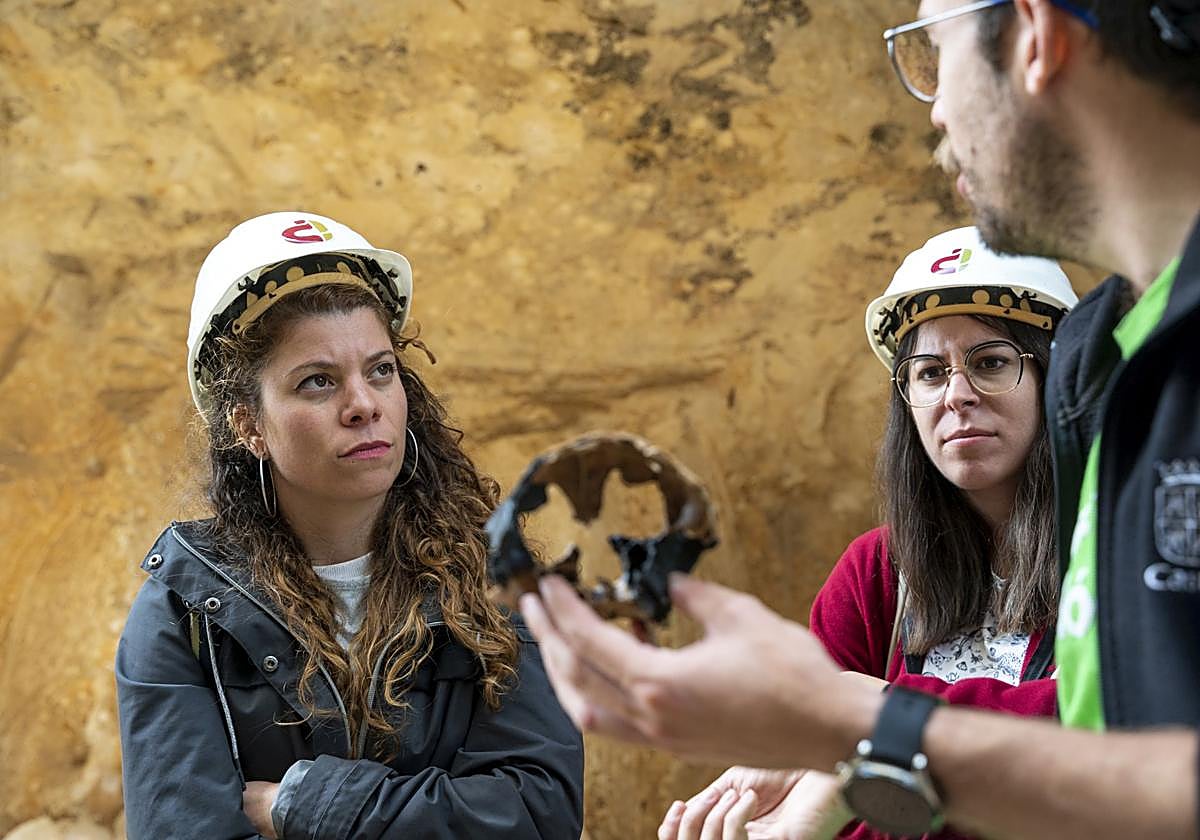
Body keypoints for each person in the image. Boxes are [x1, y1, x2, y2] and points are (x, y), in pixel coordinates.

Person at [521, 1, 1200, 838]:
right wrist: (839, 741)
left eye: (933, 53)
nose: (935, 108)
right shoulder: (1126, 359)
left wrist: (863, 729)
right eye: (927, 372)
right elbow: (1131, 759)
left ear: (1035, 34)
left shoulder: (1118, 418)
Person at [115, 212, 584, 839]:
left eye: (381, 370)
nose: (364, 404)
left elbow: (538, 813)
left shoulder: (495, 577)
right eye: (317, 382)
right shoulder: (187, 609)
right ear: (247, 425)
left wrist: (298, 805)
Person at [658, 227, 1076, 840]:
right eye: (929, 373)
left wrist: (879, 718)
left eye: (990, 363)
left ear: (1057, 376)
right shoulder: (875, 570)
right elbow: (818, 757)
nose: (957, 396)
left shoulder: (1114, 551)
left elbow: (1104, 737)